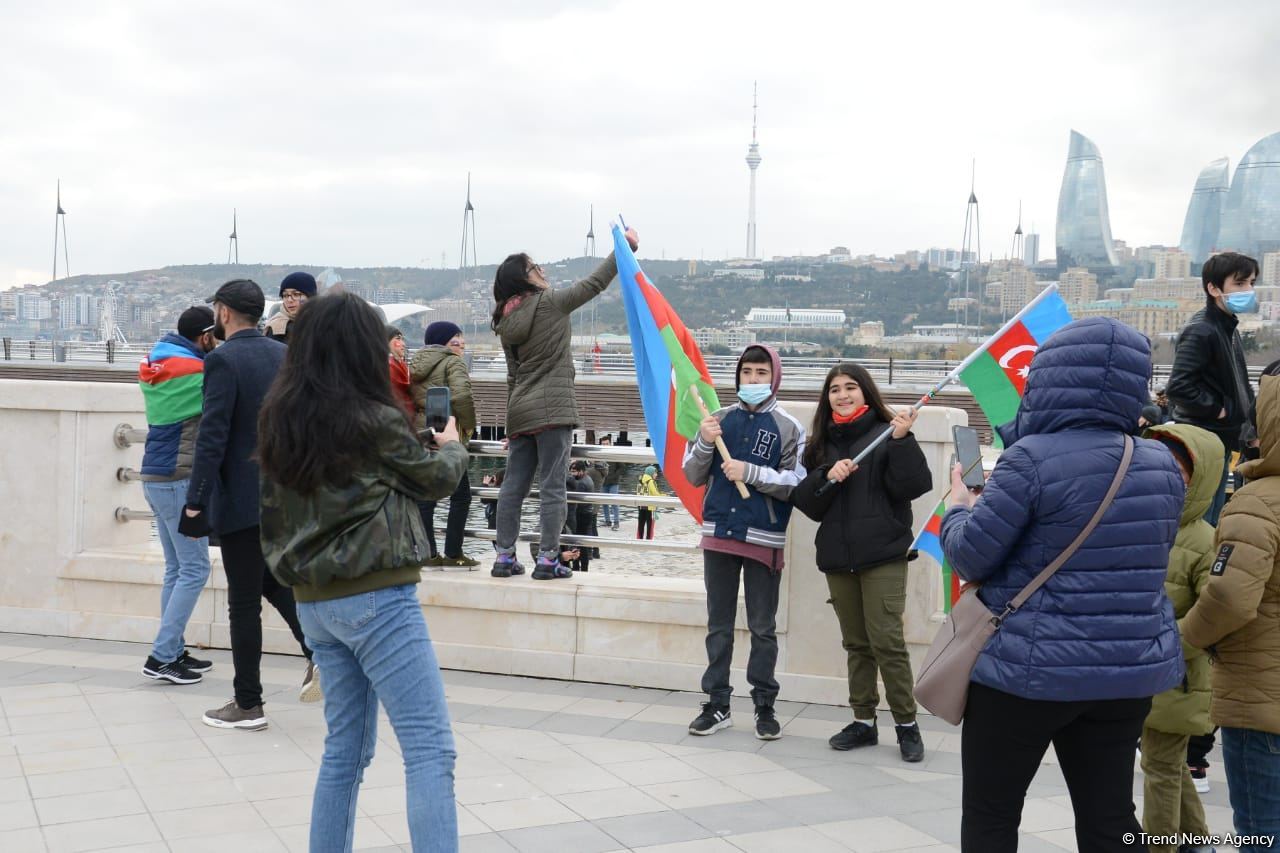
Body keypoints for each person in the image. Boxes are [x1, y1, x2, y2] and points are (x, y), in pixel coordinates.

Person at [939, 317, 1185, 852]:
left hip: (1026, 672)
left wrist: (958, 509)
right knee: (1110, 817)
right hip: (1125, 673)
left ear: (1048, 378)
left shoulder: (1029, 459)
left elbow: (970, 555)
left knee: (991, 816)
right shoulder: (1162, 464)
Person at [258, 291, 469, 853]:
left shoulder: (281, 417)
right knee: (430, 749)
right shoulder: (373, 417)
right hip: (376, 598)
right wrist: (452, 448)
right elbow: (432, 480)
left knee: (344, 752)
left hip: (313, 601)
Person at [185, 279, 318, 731]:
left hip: (242, 498)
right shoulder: (284, 355)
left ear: (223, 312)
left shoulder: (222, 359)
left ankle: (248, 704)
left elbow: (212, 437)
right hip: (282, 494)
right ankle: (321, 654)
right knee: (272, 582)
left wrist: (195, 500)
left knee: (242, 604)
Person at [791, 363, 933, 762]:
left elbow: (914, 485)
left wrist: (903, 440)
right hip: (839, 559)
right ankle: (863, 721)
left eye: (850, 387)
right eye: (834, 389)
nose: (842, 394)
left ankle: (906, 724)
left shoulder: (889, 434)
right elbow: (809, 504)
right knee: (857, 645)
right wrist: (826, 473)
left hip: (884, 555)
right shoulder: (820, 445)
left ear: (866, 392)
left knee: (887, 642)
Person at [490, 227, 639, 580]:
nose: (542, 271)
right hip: (553, 411)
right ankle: (548, 558)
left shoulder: (506, 322)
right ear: (524, 280)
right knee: (553, 487)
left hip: (521, 413)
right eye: (535, 268)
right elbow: (594, 284)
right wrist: (623, 249)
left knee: (513, 487)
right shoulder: (551, 302)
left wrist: (512, 426)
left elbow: (513, 376)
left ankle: (504, 556)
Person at [682, 344, 807, 740]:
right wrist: (704, 442)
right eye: (747, 372)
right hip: (718, 533)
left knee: (762, 627)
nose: (753, 380)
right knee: (717, 624)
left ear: (775, 377)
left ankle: (764, 705)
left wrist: (749, 471)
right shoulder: (715, 419)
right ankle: (717, 702)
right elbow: (692, 474)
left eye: (761, 373)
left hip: (763, 538)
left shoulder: (790, 427)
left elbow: (796, 483)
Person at [1181, 371, 1280, 853]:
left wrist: (1182, 639)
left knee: (1264, 832)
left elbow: (1228, 597)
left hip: (1262, 706)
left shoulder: (1257, 505)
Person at [1139, 424, 1223, 853]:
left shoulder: (1206, 541)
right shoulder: (1150, 524)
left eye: (1175, 469)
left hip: (1181, 676)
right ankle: (1198, 841)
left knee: (1159, 767)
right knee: (1167, 763)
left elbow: (1216, 615)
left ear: (1199, 476)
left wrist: (1166, 647)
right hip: (1150, 672)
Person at [137, 306, 218, 685]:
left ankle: (174, 650)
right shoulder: (196, 374)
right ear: (205, 337)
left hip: (153, 477)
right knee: (196, 568)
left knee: (176, 568)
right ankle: (162, 657)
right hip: (178, 479)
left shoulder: (159, 365)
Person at [1166, 251, 1260, 525]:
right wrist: (1221, 411)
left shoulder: (1226, 327)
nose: (1249, 290)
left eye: (1251, 283)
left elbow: (1238, 383)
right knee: (1203, 521)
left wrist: (1248, 426)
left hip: (1220, 443)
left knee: (1214, 518)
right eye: (1240, 284)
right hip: (1204, 443)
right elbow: (1179, 386)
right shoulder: (1203, 330)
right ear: (1214, 288)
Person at [410, 321, 479, 569]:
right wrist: (469, 427)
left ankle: (428, 555)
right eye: (455, 340)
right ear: (443, 343)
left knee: (426, 499)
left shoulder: (416, 364)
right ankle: (453, 553)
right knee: (461, 496)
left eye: (461, 339)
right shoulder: (453, 361)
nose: (460, 344)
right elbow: (461, 396)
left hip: (424, 431)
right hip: (448, 432)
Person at [264, 271, 317, 344]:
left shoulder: (325, 322)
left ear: (310, 297)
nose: (289, 300)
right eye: (285, 295)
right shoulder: (277, 327)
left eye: (296, 294)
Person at [565, 460, 595, 572]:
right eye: (571, 471)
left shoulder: (581, 483)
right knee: (582, 542)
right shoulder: (588, 479)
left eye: (574, 471)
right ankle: (582, 568)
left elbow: (575, 502)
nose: (572, 474)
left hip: (580, 515)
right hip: (587, 513)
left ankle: (578, 568)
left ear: (581, 471)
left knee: (577, 542)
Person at [387, 325, 414, 418]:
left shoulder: (400, 364)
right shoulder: (390, 366)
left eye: (402, 339)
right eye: (398, 339)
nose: (403, 344)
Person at [599, 435, 622, 531]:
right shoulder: (599, 455)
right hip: (603, 482)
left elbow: (621, 467)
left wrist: (614, 476)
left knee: (614, 502)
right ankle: (607, 521)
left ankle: (616, 522)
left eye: (606, 444)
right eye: (603, 444)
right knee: (604, 502)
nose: (605, 445)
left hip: (614, 482)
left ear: (610, 443)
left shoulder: (615, 453)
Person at [635, 465, 661, 540]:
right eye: (655, 473)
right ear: (650, 473)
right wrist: (664, 495)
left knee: (641, 523)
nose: (656, 474)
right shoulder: (651, 481)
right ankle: (648, 540)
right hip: (650, 506)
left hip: (641, 505)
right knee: (650, 525)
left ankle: (639, 539)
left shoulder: (640, 481)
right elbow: (656, 494)